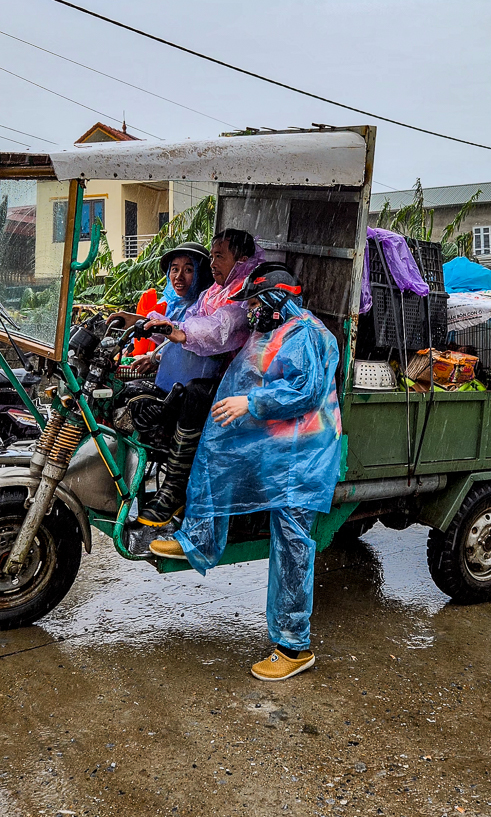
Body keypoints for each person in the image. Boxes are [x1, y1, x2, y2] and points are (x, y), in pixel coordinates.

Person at [149, 263, 342, 682]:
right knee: (214, 455)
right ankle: (197, 538)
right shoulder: (269, 330)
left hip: (298, 454)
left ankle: (294, 645)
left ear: (277, 301)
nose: (249, 310)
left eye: (255, 302)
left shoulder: (306, 333)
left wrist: (251, 404)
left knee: (292, 543)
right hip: (270, 440)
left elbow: (304, 391)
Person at [132, 228, 265, 527]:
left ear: (241, 259)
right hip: (215, 371)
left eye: (219, 256)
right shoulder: (212, 291)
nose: (213, 262)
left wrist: (180, 332)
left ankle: (176, 488)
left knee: (193, 393)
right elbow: (187, 319)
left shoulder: (246, 294)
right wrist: (149, 326)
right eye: (212, 255)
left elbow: (220, 329)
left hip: (238, 380)